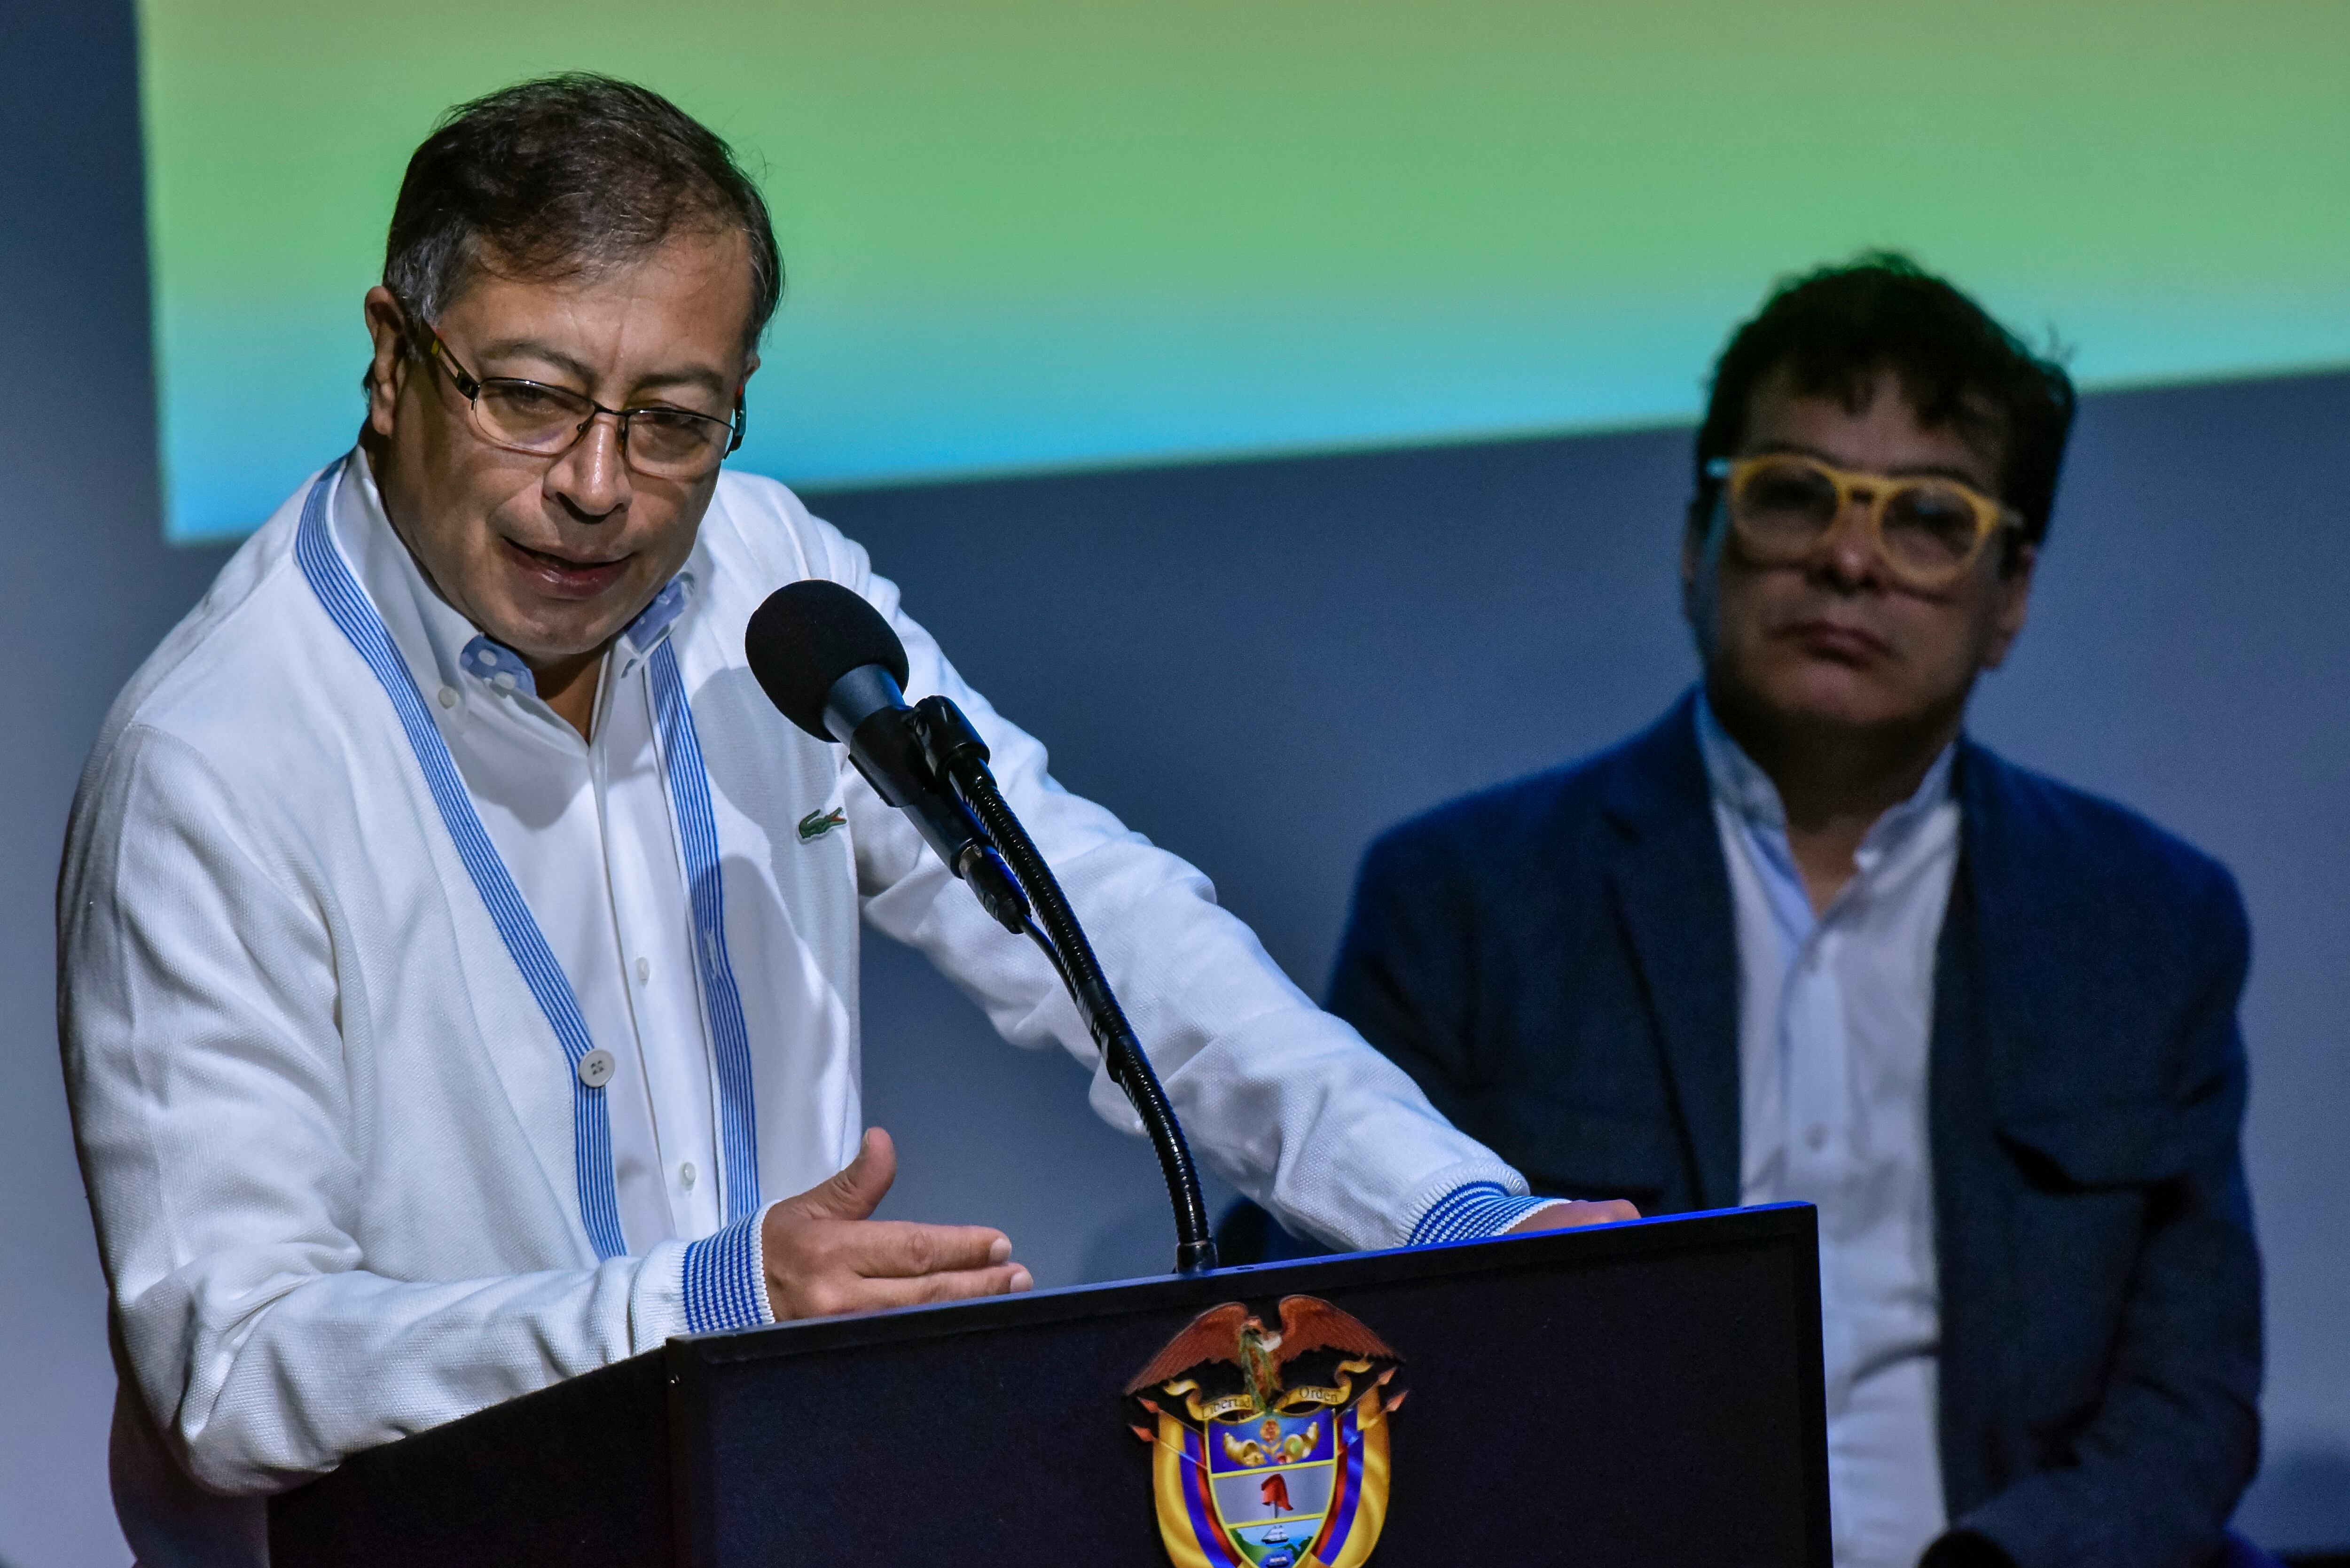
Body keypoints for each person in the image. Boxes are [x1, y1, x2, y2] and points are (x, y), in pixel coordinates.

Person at [57, 75, 1630, 1563]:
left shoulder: (767, 579)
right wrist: (708, 1303)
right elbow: (234, 1363)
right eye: (531, 398)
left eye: (673, 418)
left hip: (795, 1510)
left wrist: (1459, 1210)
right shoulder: (217, 758)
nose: (600, 486)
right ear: (394, 358)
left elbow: (1093, 919)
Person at [1293, 257, 2263, 1567]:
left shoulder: (2147, 924)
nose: (1850, 558)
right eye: (1794, 496)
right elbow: (1329, 1339)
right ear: (1698, 543)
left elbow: (2188, 1402)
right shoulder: (1465, 902)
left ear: (2011, 597)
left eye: (1927, 517)